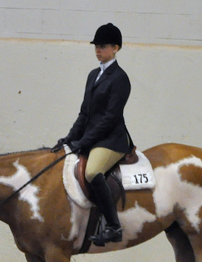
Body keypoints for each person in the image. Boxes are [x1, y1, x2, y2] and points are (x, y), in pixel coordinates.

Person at [53, 23, 134, 245]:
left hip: (111, 140)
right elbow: (84, 113)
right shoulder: (93, 75)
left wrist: (83, 142)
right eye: (97, 46)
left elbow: (110, 118)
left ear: (116, 48)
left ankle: (114, 226)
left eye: (104, 46)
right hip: (94, 137)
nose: (98, 50)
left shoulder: (120, 78)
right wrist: (69, 139)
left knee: (92, 172)